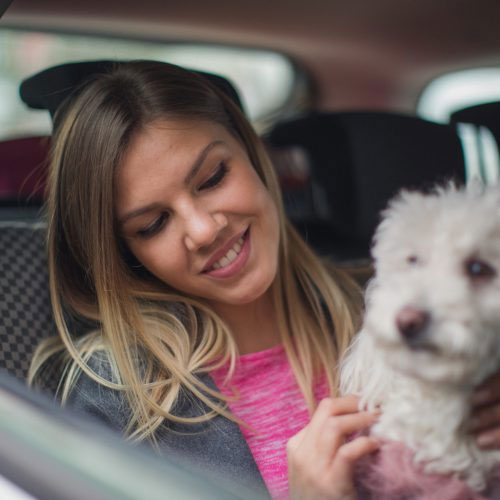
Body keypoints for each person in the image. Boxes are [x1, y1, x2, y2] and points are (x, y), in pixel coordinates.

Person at [28, 60, 500, 499]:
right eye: (153, 225)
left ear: (254, 154)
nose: (203, 229)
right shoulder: (119, 403)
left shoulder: (401, 307)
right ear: (125, 252)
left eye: (213, 177)